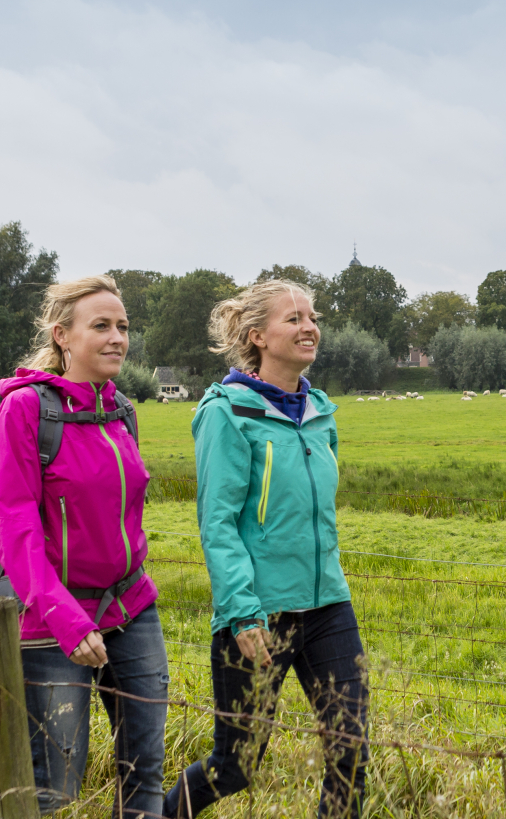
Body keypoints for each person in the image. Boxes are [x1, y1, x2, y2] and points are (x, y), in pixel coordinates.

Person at [165, 279, 365, 819]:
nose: (310, 327)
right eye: (294, 318)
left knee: (351, 751)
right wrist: (241, 610)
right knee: (237, 765)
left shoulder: (321, 413)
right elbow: (218, 522)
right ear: (257, 336)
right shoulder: (228, 412)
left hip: (328, 605)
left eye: (313, 317)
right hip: (258, 614)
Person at [0, 275, 166, 819]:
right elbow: (14, 528)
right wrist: (66, 619)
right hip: (54, 623)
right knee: (52, 788)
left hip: (131, 610)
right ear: (63, 335)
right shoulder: (25, 412)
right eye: (102, 326)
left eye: (123, 327)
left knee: (145, 775)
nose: (117, 338)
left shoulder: (122, 411)